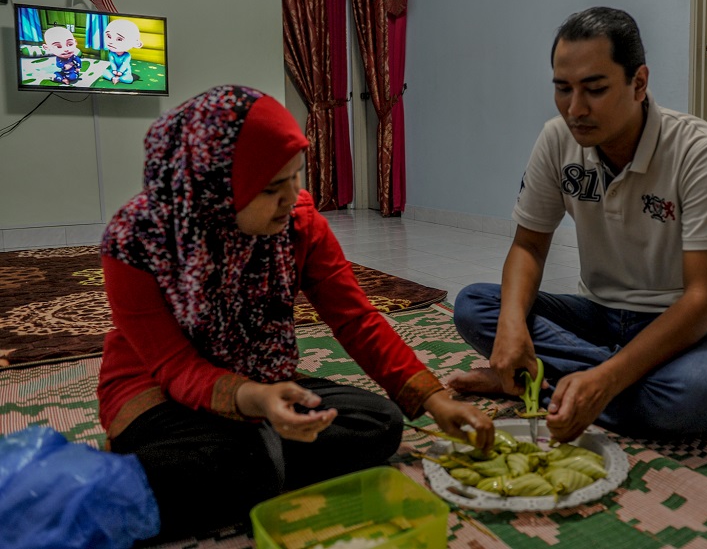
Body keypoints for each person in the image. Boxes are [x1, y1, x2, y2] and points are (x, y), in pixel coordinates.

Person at [97, 85, 494, 540]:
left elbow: (355, 319)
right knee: (252, 457)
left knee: (378, 422)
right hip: (158, 390)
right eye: (271, 187)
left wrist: (434, 400)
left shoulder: (299, 222)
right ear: (215, 189)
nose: (291, 197)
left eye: (296, 176)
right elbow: (173, 365)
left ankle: (232, 468)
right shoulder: (136, 241)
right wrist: (257, 401)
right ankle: (149, 480)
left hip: (260, 380)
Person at [449, 7, 707, 444]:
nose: (575, 109)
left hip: (687, 327)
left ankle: (549, 382)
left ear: (639, 83)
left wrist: (608, 378)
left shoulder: (704, 154)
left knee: (704, 392)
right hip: (599, 314)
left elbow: (706, 298)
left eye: (594, 89)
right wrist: (513, 328)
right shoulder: (557, 139)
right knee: (476, 305)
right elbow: (529, 246)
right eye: (562, 89)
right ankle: (584, 382)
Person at [102, 18, 142, 84]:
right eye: (109, 36)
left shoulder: (127, 55)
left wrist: (120, 72)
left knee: (128, 79)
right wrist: (114, 70)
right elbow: (112, 63)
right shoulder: (111, 54)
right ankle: (113, 78)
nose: (111, 42)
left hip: (125, 72)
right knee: (104, 72)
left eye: (119, 39)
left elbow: (125, 64)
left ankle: (119, 79)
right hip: (113, 71)